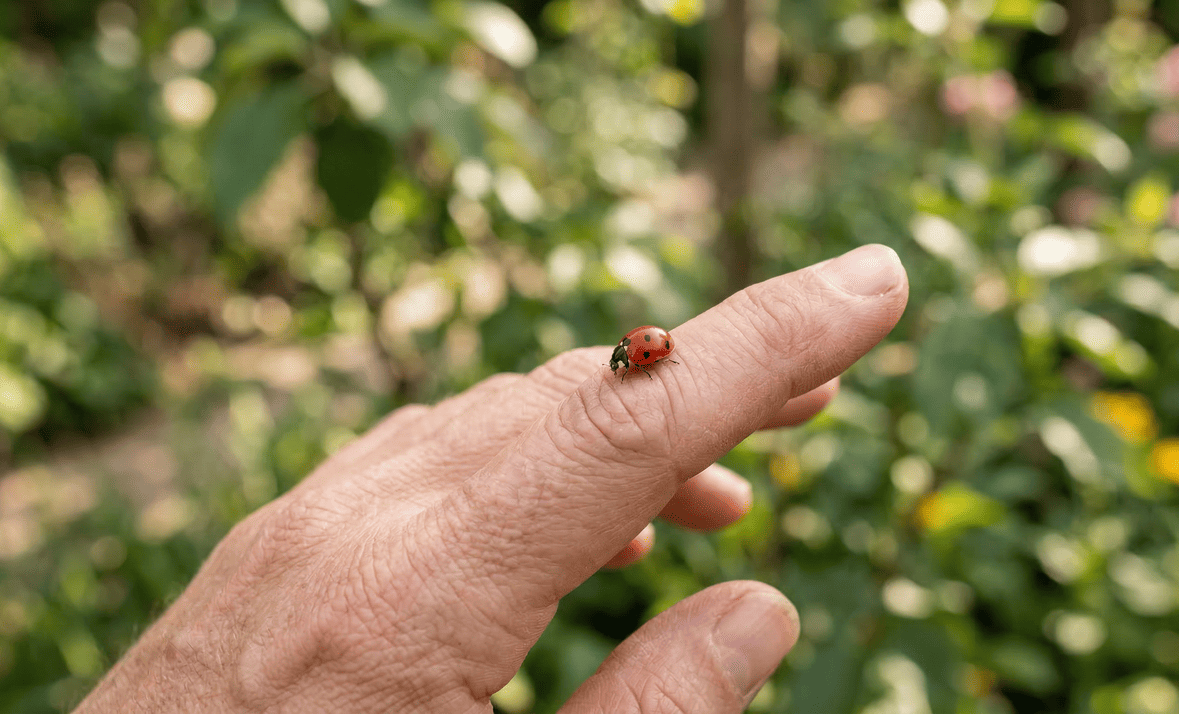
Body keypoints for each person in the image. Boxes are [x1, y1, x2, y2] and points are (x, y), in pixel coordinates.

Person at [73, 244, 908, 714]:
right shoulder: (635, 356)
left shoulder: (642, 355)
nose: (633, 361)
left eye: (631, 358)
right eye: (633, 357)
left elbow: (646, 363)